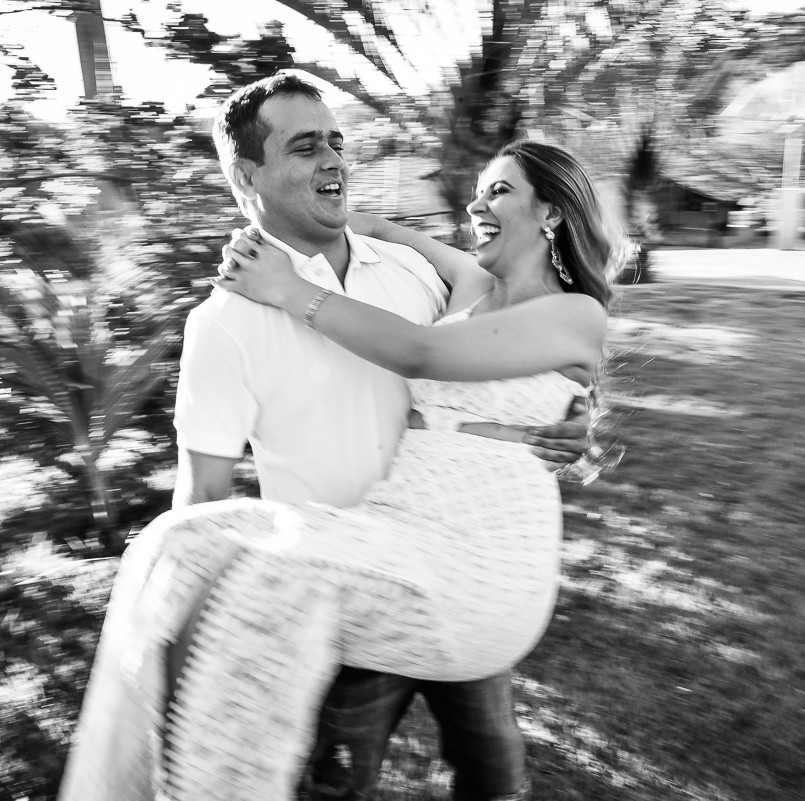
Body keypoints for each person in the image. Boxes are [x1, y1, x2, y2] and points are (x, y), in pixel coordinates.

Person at [58, 73, 606, 801]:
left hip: (465, 559)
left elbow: (442, 356)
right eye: (307, 145)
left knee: (492, 767)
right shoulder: (224, 322)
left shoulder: (424, 282)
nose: (335, 158)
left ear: (549, 213)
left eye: (338, 142)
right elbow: (203, 487)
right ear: (247, 173)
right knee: (331, 777)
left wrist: (570, 427)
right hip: (338, 578)